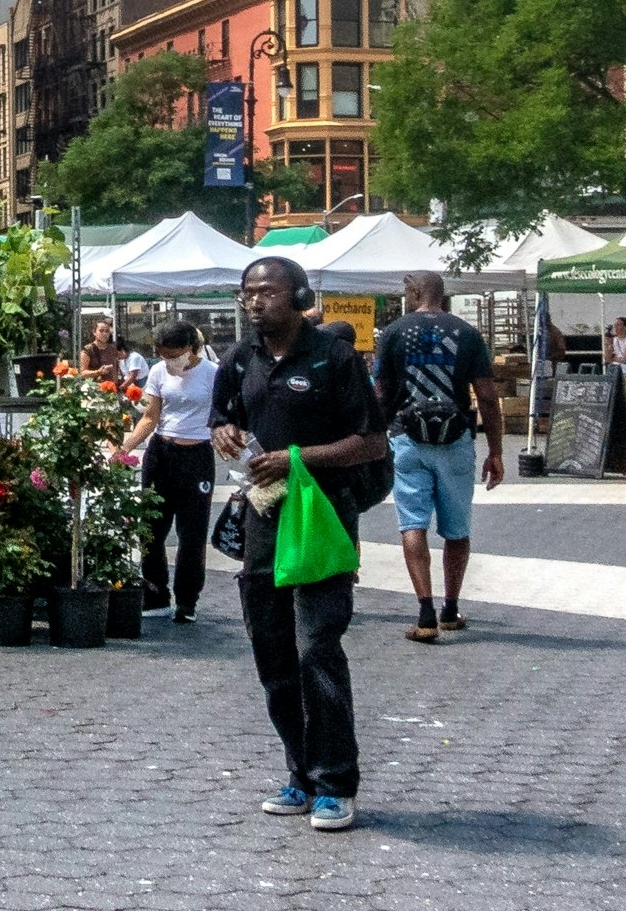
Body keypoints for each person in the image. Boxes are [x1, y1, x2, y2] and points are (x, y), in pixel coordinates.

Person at [213, 254, 389, 835]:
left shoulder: (334, 358)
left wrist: (296, 458)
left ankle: (336, 782)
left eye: (268, 291)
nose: (257, 301)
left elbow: (370, 443)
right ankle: (300, 773)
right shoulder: (238, 361)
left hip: (322, 517)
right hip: (264, 522)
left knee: (317, 648)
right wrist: (225, 434)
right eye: (248, 293)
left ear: (298, 296)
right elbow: (223, 421)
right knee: (273, 655)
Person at [371, 271, 503, 642]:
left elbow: (381, 393)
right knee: (457, 529)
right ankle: (451, 608)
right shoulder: (467, 333)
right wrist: (495, 450)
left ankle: (425, 612)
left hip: (408, 438)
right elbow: (488, 396)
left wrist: (374, 438)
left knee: (413, 524)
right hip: (456, 438)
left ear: (415, 293)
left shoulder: (395, 332)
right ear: (444, 295)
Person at [118, 320, 217, 621]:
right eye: (162, 355)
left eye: (174, 355)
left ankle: (187, 601)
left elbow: (225, 416)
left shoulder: (213, 374)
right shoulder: (160, 372)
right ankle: (155, 592)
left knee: (192, 533)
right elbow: (150, 416)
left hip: (197, 452)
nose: (169, 361)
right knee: (151, 528)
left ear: (190, 348)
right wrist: (127, 446)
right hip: (162, 452)